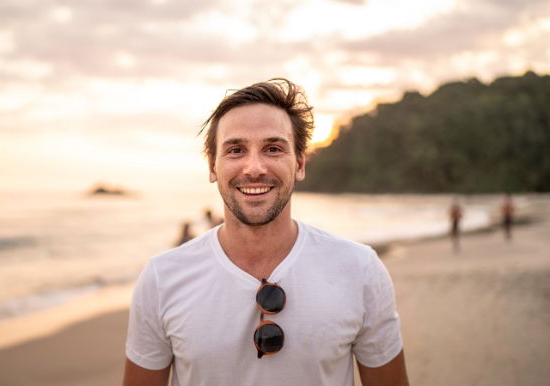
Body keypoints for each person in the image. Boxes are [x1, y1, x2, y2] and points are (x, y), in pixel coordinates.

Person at [123, 79, 409, 386]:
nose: (254, 167)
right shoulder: (162, 278)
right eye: (236, 150)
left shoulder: (359, 269)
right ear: (212, 167)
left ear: (299, 163)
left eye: (273, 148)